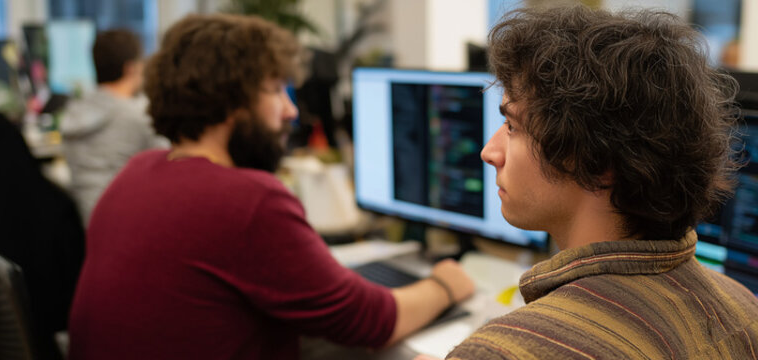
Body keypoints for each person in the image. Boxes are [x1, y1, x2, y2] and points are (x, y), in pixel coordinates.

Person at [68, 14, 475, 359]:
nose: (290, 110)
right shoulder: (246, 199)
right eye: (275, 89)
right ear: (232, 99)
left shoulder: (136, 172)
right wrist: (445, 284)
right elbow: (371, 321)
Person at [445, 6, 758, 359]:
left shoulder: (500, 352)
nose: (490, 152)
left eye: (514, 127)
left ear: (598, 162)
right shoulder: (752, 315)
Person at [59, 29, 167, 226]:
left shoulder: (76, 110)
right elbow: (173, 167)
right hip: (129, 226)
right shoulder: (139, 116)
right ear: (131, 68)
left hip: (89, 224)